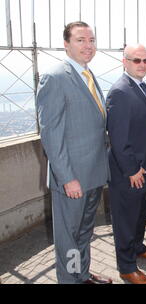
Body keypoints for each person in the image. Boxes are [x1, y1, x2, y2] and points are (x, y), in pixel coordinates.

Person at [36, 21, 111, 284]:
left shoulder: (87, 75)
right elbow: (51, 134)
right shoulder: (55, 77)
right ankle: (69, 280)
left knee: (83, 233)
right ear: (66, 44)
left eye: (91, 39)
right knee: (68, 236)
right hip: (73, 179)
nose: (88, 45)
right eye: (80, 40)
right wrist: (67, 178)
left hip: (92, 174)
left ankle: (81, 274)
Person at [106, 44, 146, 284]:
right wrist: (132, 169)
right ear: (124, 62)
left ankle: (138, 248)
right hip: (129, 171)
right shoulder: (120, 91)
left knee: (139, 216)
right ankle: (127, 268)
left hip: (145, 169)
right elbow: (118, 137)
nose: (142, 64)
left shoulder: (142, 87)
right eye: (136, 60)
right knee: (126, 220)